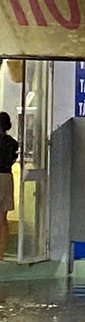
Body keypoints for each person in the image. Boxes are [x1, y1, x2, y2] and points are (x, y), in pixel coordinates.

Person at [0, 112, 16, 262]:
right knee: (3, 219)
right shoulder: (12, 143)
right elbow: (12, 160)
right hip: (6, 178)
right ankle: (1, 253)